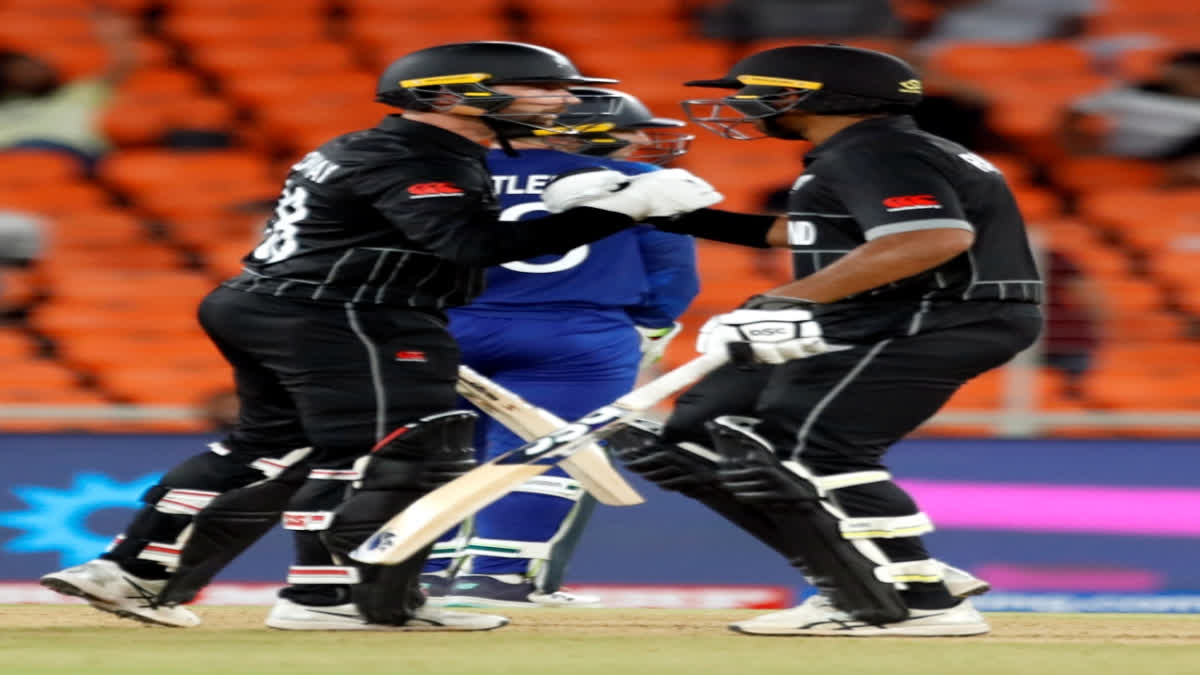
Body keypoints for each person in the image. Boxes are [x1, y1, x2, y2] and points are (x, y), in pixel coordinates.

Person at [38, 41, 721, 631]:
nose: (560, 100)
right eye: (543, 87)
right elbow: (469, 246)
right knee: (408, 448)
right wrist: (616, 210)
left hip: (281, 303)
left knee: (268, 446)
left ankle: (131, 569)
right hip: (345, 312)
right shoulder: (420, 153)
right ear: (452, 95)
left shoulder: (394, 144)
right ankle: (337, 594)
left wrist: (577, 207)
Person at [569, 44, 1042, 636]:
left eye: (756, 90)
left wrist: (785, 302)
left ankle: (921, 600)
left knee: (809, 449)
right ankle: (862, 576)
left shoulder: (877, 152)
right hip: (888, 314)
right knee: (695, 439)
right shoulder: (871, 151)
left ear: (813, 96)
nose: (743, 104)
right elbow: (822, 233)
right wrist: (673, 215)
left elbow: (931, 239)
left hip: (936, 313)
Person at [403, 88, 699, 608]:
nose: (638, 146)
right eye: (628, 136)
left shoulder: (435, 172)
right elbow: (671, 273)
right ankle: (494, 577)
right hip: (576, 334)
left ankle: (418, 575)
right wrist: (650, 328)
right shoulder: (644, 183)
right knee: (547, 455)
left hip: (440, 327)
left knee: (429, 454)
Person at [0, 9, 136, 169]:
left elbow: (125, 63)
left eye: (33, 66)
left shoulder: (78, 93)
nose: (29, 73)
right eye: (18, 70)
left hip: (75, 155)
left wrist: (113, 34)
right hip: (11, 159)